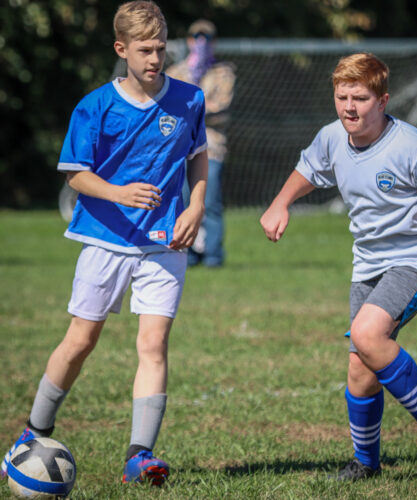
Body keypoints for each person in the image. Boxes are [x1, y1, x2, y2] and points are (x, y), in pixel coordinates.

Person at [1, 0, 208, 487]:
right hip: (104, 239)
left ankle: (140, 457)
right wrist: (118, 193)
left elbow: (198, 156)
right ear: (121, 49)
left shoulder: (190, 99)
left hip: (164, 242)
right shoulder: (94, 106)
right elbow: (75, 175)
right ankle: (33, 432)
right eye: (144, 50)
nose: (155, 58)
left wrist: (195, 207)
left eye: (160, 48)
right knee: (81, 341)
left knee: (153, 344)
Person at [260, 53, 417, 481]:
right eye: (342, 97)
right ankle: (366, 463)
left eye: (360, 98)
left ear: (383, 100)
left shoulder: (415, 148)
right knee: (361, 366)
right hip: (368, 263)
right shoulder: (332, 137)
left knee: (367, 334)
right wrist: (280, 203)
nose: (349, 107)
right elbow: (309, 168)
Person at [166, 19, 236, 267]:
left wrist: (189, 106)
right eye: (197, 37)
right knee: (183, 201)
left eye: (206, 38)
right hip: (180, 149)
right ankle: (188, 252)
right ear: (189, 40)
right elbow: (167, 106)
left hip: (211, 148)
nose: (201, 42)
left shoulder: (223, 72)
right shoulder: (175, 72)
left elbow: (221, 106)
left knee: (210, 201)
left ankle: (214, 255)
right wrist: (198, 105)